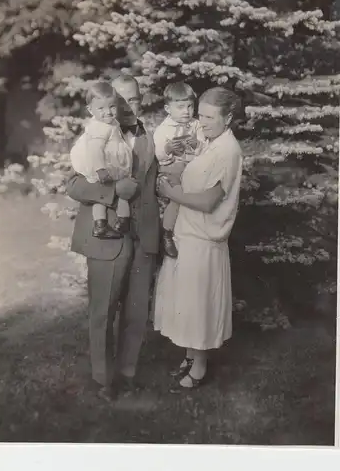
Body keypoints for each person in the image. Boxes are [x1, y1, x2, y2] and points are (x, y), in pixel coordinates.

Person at [66, 74, 160, 398]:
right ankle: (105, 381)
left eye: (133, 100)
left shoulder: (153, 137)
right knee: (103, 312)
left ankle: (128, 373)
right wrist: (111, 191)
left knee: (136, 312)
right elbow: (74, 185)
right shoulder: (96, 134)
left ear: (141, 101)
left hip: (142, 235)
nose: (126, 107)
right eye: (119, 101)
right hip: (107, 237)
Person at [154, 86, 243, 390]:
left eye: (208, 116)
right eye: (200, 114)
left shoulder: (228, 151)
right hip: (187, 232)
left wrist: (171, 193)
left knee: (198, 305)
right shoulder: (208, 141)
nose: (201, 122)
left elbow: (209, 201)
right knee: (187, 304)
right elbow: (188, 170)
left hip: (204, 239)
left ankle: (200, 366)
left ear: (228, 117)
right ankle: (191, 357)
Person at [70, 81, 132, 239]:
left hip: (111, 164)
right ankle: (107, 223)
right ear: (91, 110)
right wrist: (100, 169)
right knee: (104, 195)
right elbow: (95, 150)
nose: (108, 113)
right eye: (101, 108)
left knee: (111, 194)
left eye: (112, 107)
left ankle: (114, 222)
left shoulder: (111, 124)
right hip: (104, 166)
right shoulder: (98, 127)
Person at [154, 82, 206, 258]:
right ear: (168, 108)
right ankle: (167, 232)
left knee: (195, 197)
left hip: (191, 170)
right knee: (178, 197)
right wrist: (168, 149)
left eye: (190, 106)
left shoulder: (197, 125)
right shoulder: (163, 129)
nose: (186, 111)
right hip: (171, 171)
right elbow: (158, 155)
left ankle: (194, 232)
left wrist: (196, 144)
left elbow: (205, 149)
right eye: (180, 107)